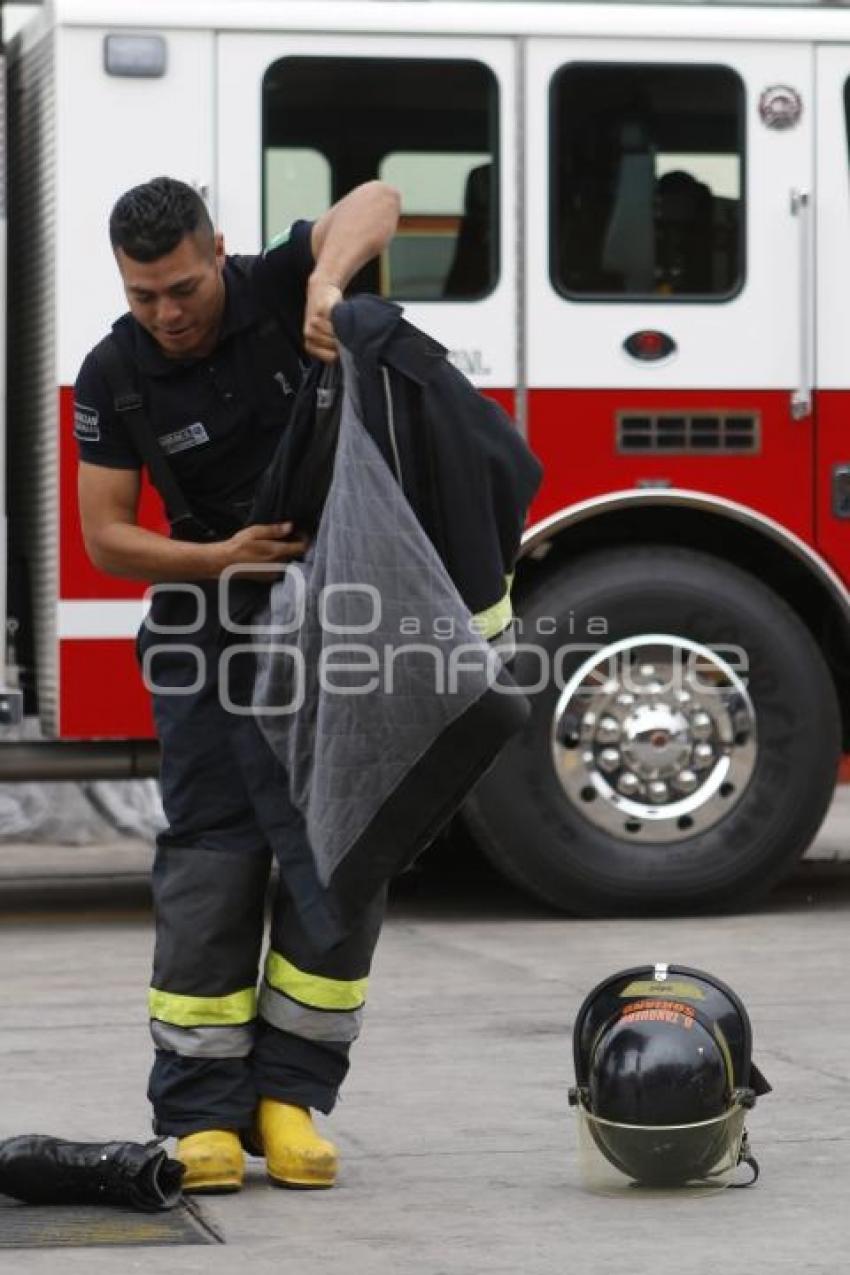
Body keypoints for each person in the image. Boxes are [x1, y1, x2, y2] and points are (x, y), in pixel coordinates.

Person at [73, 175, 400, 1193]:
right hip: (206, 635)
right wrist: (217, 559)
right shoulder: (112, 376)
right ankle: (201, 1112)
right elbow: (107, 539)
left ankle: (290, 1100)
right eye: (143, 295)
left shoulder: (277, 283)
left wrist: (327, 284)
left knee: (338, 851)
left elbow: (381, 197)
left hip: (340, 623)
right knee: (212, 862)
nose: (166, 313)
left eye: (182, 287)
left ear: (220, 251)